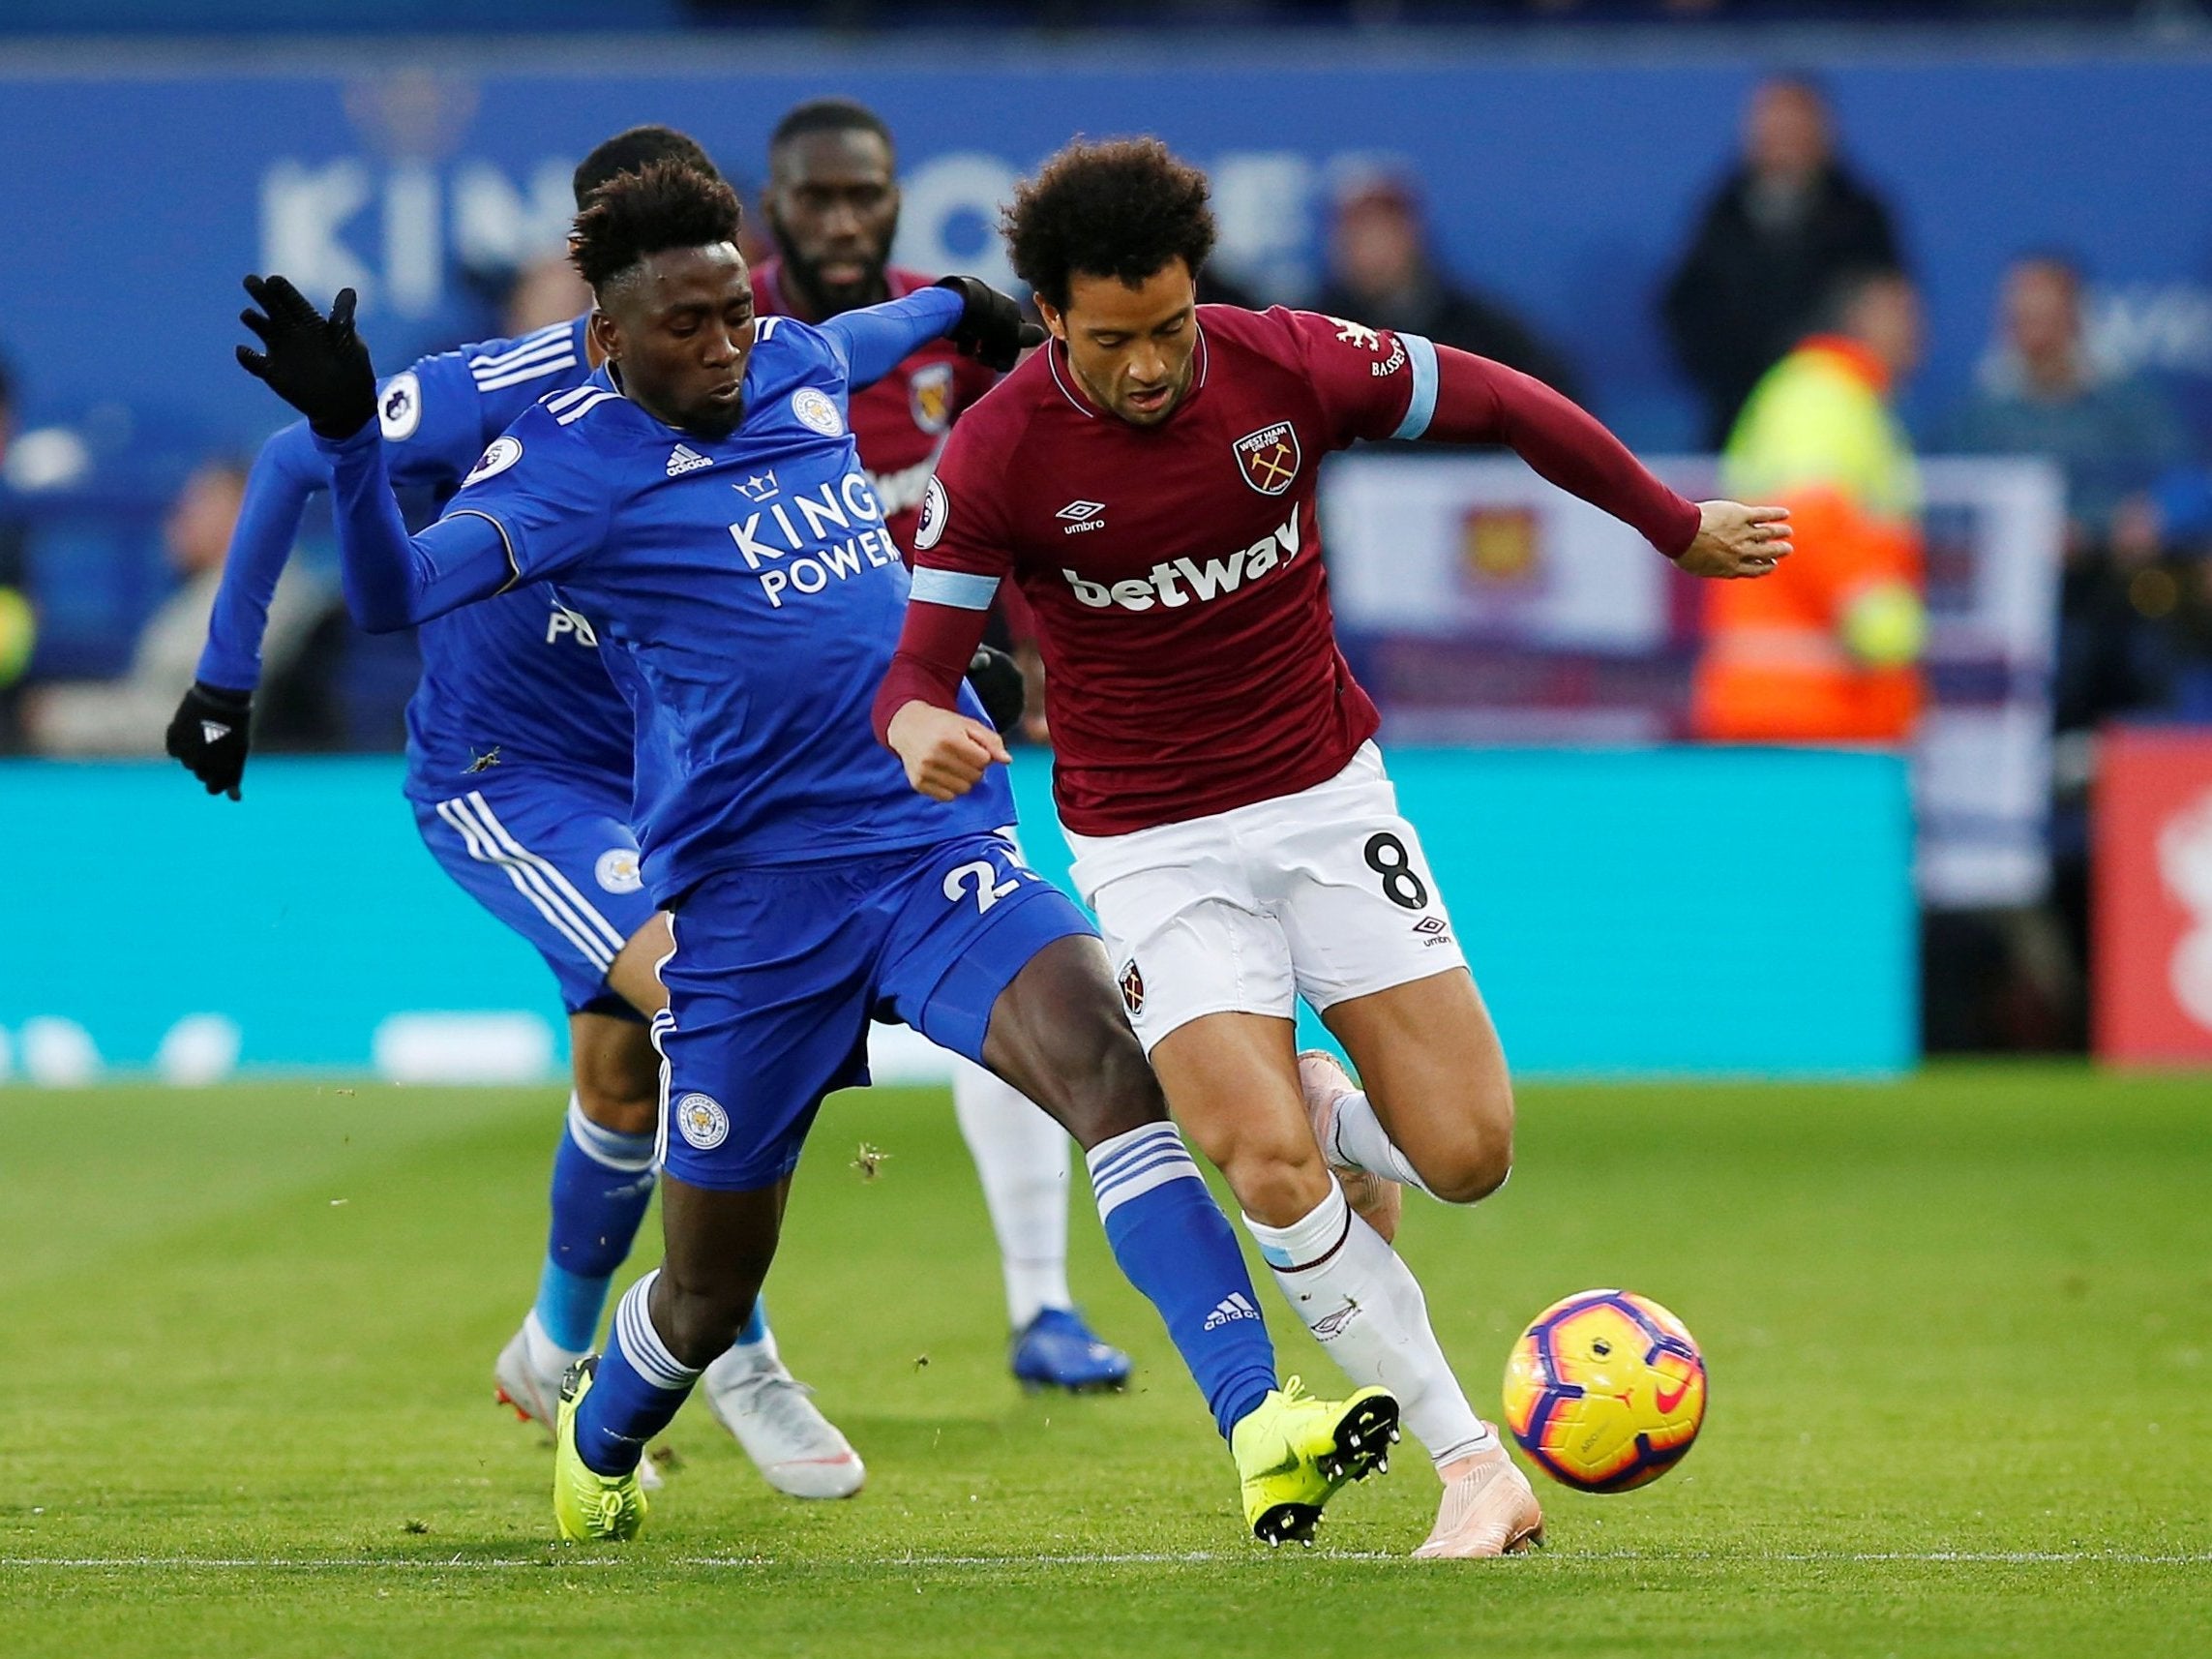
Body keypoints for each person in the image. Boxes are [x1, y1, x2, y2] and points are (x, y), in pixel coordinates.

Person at [232, 163, 1399, 1549]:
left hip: (922, 844)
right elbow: (383, 595)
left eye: (734, 309)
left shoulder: (784, 362)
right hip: (751, 906)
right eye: (687, 327)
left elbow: (853, 341)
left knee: (1108, 1075)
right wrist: (352, 438)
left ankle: (1259, 1421)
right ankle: (601, 1422)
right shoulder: (562, 477)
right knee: (705, 1292)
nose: (727, 345)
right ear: (610, 339)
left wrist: (961, 309)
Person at [872, 137, 1788, 1557]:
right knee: (1264, 1166)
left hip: (1322, 802)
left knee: (1468, 1155)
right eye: (1112, 340)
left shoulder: (1283, 365)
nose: (1149, 365)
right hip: (1149, 846)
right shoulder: (994, 450)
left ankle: (1300, 1086)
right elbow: (911, 671)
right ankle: (1469, 1467)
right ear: (1050, 317)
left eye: (1170, 326)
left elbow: (1504, 401)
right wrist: (918, 724)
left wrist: (1669, 525)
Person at [170, 127, 882, 1500]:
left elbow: (867, 382)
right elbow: (290, 461)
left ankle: (554, 1341)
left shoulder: (739, 374)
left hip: (673, 776)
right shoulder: (489, 392)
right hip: (513, 779)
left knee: (622, 1076)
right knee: (700, 996)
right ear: (600, 267)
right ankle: (727, 1338)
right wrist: (224, 679)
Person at [753, 96, 1128, 1390]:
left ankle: (1042, 1304)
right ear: (775, 206)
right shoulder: (727, 348)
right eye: (819, 197)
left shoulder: (952, 328)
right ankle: (713, 1326)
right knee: (716, 1046)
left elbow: (1044, 471)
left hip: (935, 732)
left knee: (1012, 965)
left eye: (868, 193)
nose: (847, 220)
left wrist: (1036, 646)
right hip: (770, 759)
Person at [1691, 266, 1928, 744]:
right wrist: (1884, 628)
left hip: (1816, 704)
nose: (1919, 333)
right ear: (1863, 318)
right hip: (1800, 707)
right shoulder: (1819, 397)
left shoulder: (1841, 398)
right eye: (1904, 315)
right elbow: (1806, 523)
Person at [1662, 75, 1904, 448]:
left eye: (1795, 131)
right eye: (1772, 130)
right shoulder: (1721, 213)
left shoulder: (1861, 217)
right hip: (1737, 414)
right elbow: (1687, 306)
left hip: (1836, 412)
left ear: (1823, 134)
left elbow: (1887, 311)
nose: (1783, 144)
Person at [29, 459, 325, 755]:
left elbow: (198, 724)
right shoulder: (229, 592)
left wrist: (59, 717)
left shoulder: (250, 605)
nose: (176, 523)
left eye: (194, 508)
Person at [1314, 166, 1580, 401]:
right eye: (1355, 231)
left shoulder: (1484, 332)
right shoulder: (1312, 334)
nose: (1369, 246)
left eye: (1382, 229)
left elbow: (1555, 402)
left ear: (1413, 234)